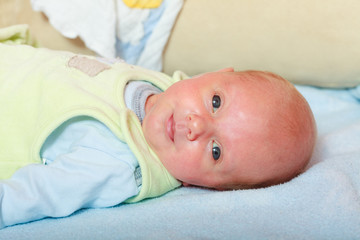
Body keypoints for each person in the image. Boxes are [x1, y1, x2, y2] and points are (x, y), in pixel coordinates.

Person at [0, 43, 316, 229]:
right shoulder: (166, 86)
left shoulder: (119, 163)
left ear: (202, 185)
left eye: (215, 151)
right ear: (213, 74)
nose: (197, 127)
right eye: (215, 102)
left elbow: (28, 196)